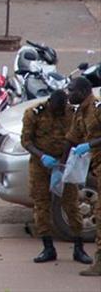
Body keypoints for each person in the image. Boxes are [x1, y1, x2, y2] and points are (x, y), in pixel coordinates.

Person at [21, 90, 91, 264]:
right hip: (40, 165)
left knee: (71, 205)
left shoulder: (72, 113)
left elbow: (79, 136)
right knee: (41, 205)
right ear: (50, 103)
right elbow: (26, 141)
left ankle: (79, 248)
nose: (59, 112)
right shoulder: (34, 113)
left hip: (65, 164)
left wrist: (65, 161)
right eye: (56, 109)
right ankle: (48, 248)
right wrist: (42, 156)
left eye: (62, 109)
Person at [65, 76, 101, 276]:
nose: (69, 94)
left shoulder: (97, 108)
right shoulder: (80, 112)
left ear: (83, 91)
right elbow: (71, 138)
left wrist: (90, 144)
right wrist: (61, 166)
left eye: (71, 90)